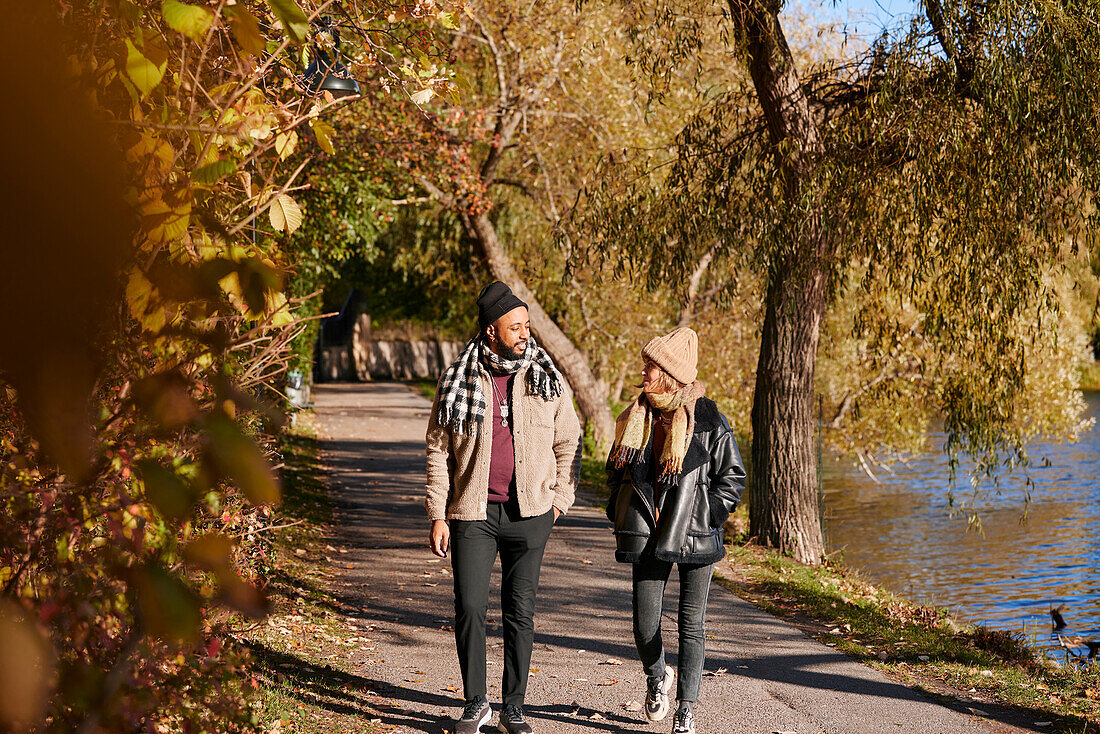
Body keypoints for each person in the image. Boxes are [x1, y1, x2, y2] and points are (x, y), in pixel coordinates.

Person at [425, 281, 581, 734]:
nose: (524, 333)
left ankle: (514, 707)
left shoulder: (546, 376)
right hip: (472, 514)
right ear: (491, 330)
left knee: (520, 612)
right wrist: (438, 512)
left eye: (527, 325)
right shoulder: (458, 378)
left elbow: (568, 439)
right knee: (470, 607)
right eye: (515, 326)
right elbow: (438, 449)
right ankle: (476, 702)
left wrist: (558, 504)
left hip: (531, 514)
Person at [605, 327, 745, 734]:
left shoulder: (708, 419)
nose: (643, 372)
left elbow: (732, 477)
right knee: (644, 622)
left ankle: (686, 708)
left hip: (695, 533)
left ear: (668, 373)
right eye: (646, 365)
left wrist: (707, 515)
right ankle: (656, 677)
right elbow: (616, 472)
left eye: (650, 366)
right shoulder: (636, 417)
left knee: (692, 623)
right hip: (649, 532)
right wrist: (618, 507)